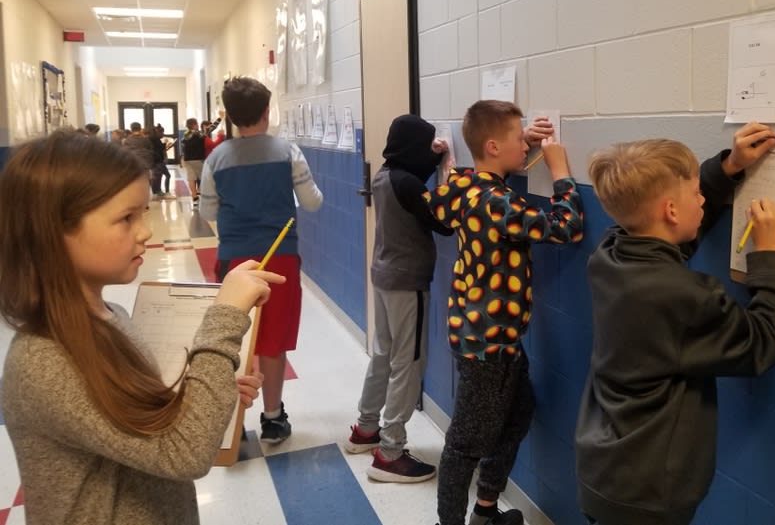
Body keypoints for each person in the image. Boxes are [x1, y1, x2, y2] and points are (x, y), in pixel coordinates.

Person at [0, 130, 282, 525]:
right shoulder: (44, 360)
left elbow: (146, 422)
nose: (145, 231)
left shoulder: (111, 315)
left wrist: (213, 392)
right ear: (53, 232)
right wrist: (226, 314)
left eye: (143, 213)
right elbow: (183, 453)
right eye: (126, 218)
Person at [574, 124, 775, 525]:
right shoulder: (686, 295)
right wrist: (769, 255)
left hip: (605, 469)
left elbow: (664, 242)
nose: (702, 199)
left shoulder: (609, 254)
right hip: (648, 494)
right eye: (696, 194)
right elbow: (762, 344)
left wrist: (729, 167)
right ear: (672, 210)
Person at [426, 100, 585, 525]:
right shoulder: (497, 202)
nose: (525, 144)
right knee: (465, 444)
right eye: (518, 138)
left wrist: (519, 146)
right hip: (488, 344)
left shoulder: (465, 186)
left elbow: (473, 192)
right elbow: (568, 226)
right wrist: (560, 170)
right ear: (494, 147)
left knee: (518, 414)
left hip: (485, 333)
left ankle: (485, 510)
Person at [200, 77, 324, 444]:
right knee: (273, 338)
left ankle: (232, 423)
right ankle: (272, 418)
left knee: (234, 335)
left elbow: (207, 210)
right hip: (280, 258)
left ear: (230, 117)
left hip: (234, 260)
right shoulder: (287, 151)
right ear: (267, 112)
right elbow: (313, 201)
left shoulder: (216, 158)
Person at [344, 114, 453, 483]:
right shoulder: (408, 184)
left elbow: (413, 178)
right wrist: (453, 175)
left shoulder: (385, 175)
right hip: (408, 282)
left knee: (383, 355)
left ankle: (366, 428)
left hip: (383, 277)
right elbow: (443, 222)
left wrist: (435, 158)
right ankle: (390, 453)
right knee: (409, 363)